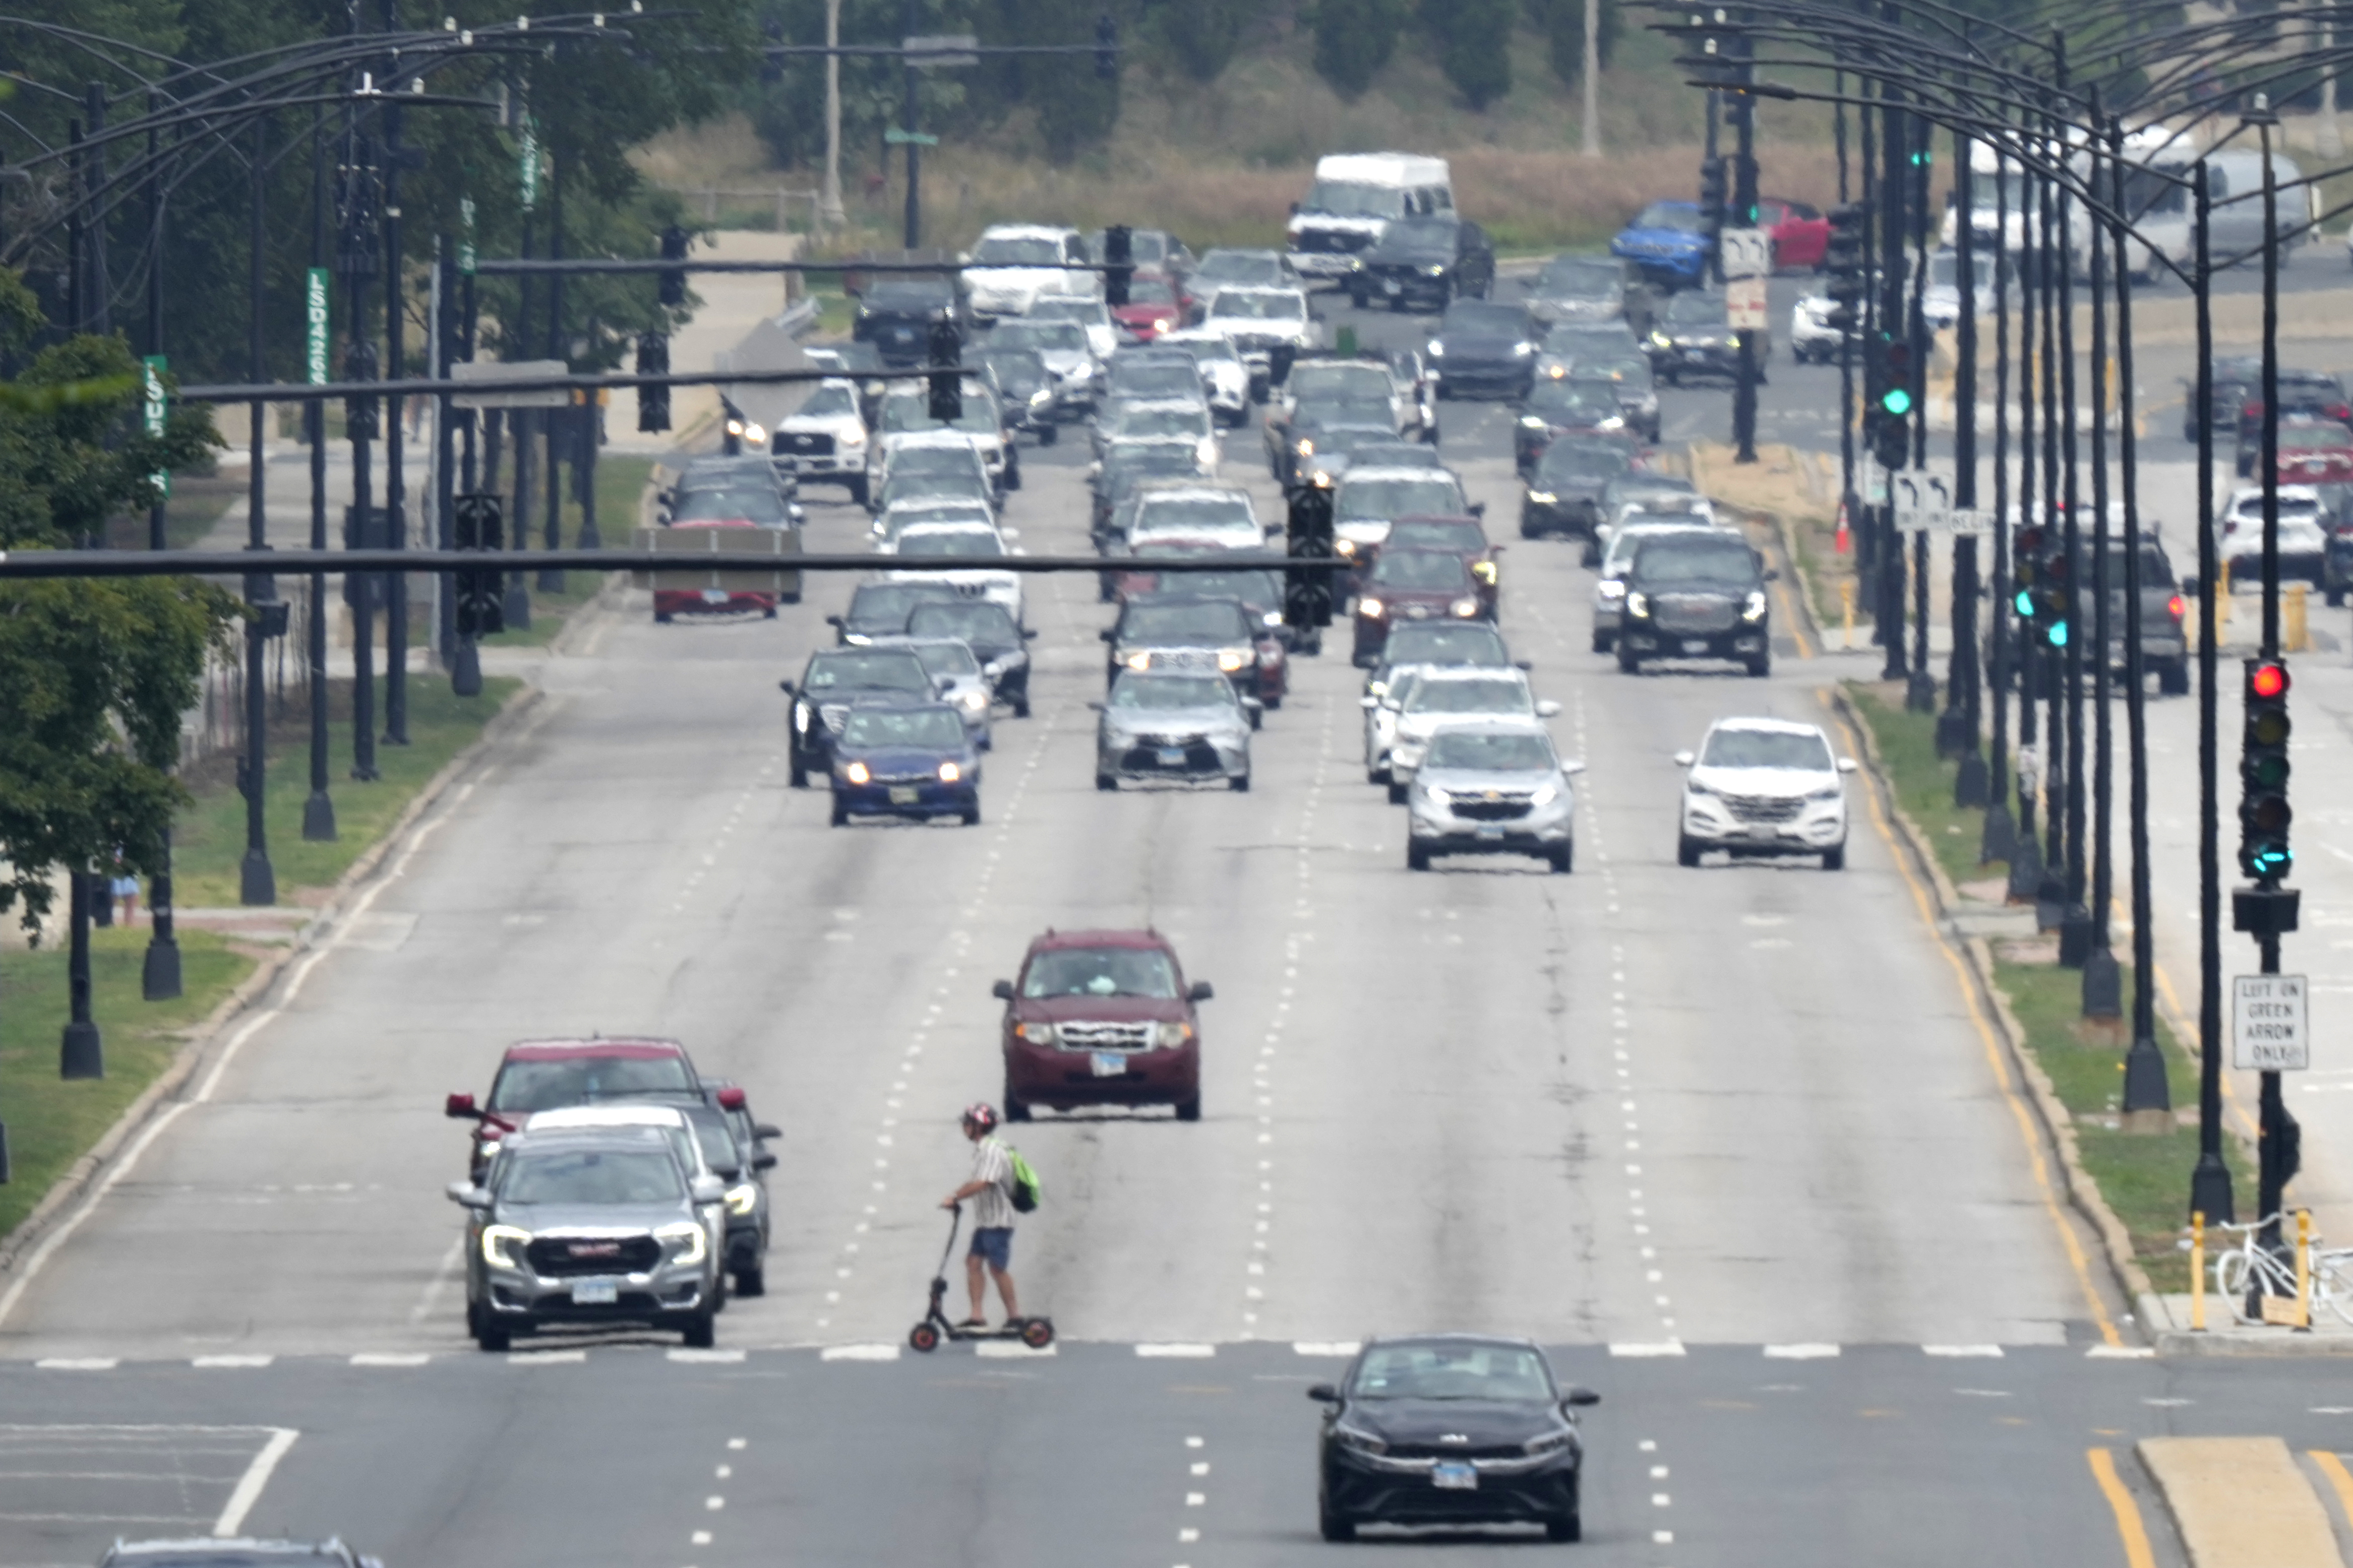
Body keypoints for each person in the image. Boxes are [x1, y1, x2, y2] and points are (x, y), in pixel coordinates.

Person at [940, 1102, 1021, 1328]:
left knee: (997, 1268)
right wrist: (955, 1196)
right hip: (986, 1220)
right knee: (973, 1263)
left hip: (998, 1221)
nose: (964, 1128)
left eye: (968, 1124)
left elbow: (984, 1183)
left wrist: (956, 1198)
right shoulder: (982, 1151)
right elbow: (975, 1181)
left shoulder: (993, 1151)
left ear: (979, 1126)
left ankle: (1015, 1316)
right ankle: (977, 1316)